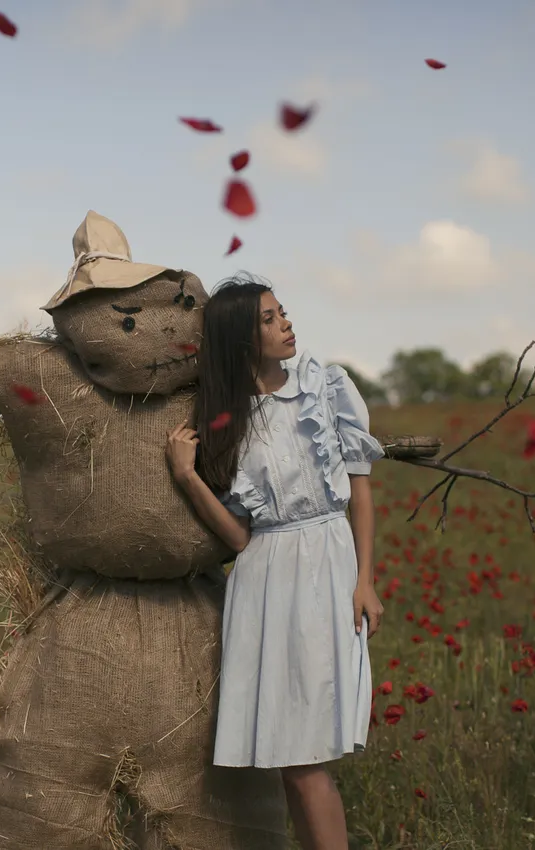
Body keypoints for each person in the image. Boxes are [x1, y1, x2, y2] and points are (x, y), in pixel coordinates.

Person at [165, 272, 385, 850]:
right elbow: (239, 537)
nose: (285, 322)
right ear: (241, 338)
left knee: (307, 757)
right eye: (268, 318)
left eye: (281, 311)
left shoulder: (325, 386)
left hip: (327, 566)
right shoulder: (224, 417)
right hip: (264, 580)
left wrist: (366, 581)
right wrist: (188, 478)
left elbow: (359, 489)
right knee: (292, 760)